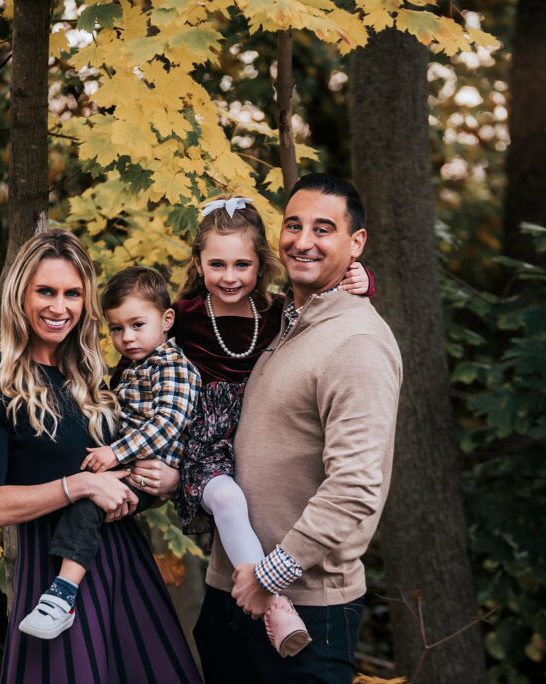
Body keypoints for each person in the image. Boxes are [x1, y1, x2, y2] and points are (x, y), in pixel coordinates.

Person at [114, 196, 372, 657]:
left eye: (241, 264)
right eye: (216, 264)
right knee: (229, 501)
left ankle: (266, 591)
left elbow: (325, 312)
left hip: (255, 445)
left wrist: (362, 279)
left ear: (260, 264)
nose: (229, 276)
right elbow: (137, 365)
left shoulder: (275, 314)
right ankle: (273, 604)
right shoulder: (183, 316)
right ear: (198, 263)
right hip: (204, 446)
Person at [0, 231, 201, 684]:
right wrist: (79, 485)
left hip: (127, 568)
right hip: (54, 578)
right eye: (45, 292)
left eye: (72, 294)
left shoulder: (96, 382)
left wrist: (168, 481)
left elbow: (143, 454)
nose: (59, 307)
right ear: (19, 296)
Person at [192, 175, 402, 683]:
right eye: (293, 225)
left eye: (323, 229)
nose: (302, 240)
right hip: (231, 593)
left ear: (356, 244)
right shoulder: (280, 320)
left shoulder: (357, 343)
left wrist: (270, 576)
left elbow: (355, 488)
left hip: (306, 606)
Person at [17, 266, 202, 641]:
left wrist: (116, 453)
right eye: (116, 329)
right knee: (85, 500)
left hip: (151, 468)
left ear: (167, 320)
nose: (126, 338)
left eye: (137, 325)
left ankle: (63, 595)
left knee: (87, 505)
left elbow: (167, 422)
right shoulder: (135, 367)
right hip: (131, 463)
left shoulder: (173, 367)